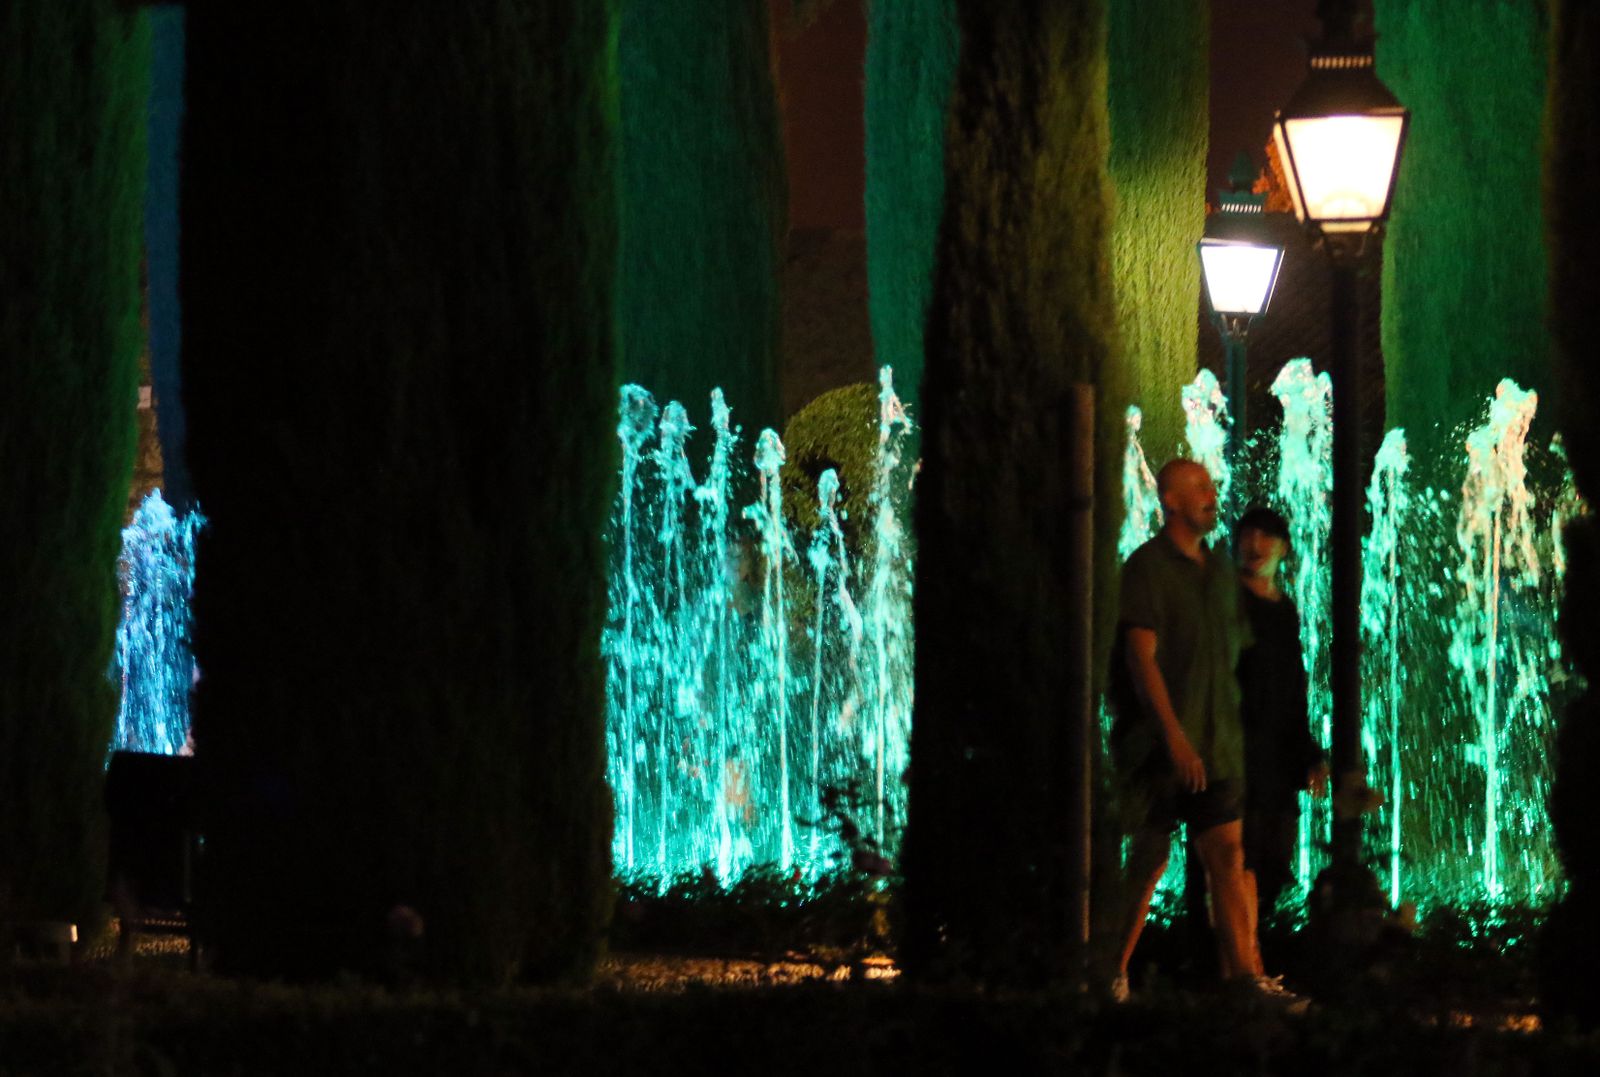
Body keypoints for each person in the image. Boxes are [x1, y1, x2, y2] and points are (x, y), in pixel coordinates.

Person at [1108, 459, 1279, 1000]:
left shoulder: (1221, 571)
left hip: (1218, 744)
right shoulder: (1146, 568)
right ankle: (1107, 974)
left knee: (1227, 858)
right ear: (1171, 502)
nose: (1212, 494)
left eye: (1210, 486)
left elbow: (1236, 659)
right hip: (1159, 749)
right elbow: (1141, 659)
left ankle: (1244, 983)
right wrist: (1174, 737)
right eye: (1199, 488)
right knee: (1148, 861)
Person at [1234, 506, 1328, 926]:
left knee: (1272, 857)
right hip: (1235, 751)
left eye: (1266, 536)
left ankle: (1254, 958)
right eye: (1247, 535)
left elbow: (1292, 688)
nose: (1255, 545)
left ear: (1284, 549)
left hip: (1276, 754)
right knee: (1237, 861)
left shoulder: (1285, 610)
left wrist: (1308, 753)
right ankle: (1228, 966)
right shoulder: (1224, 601)